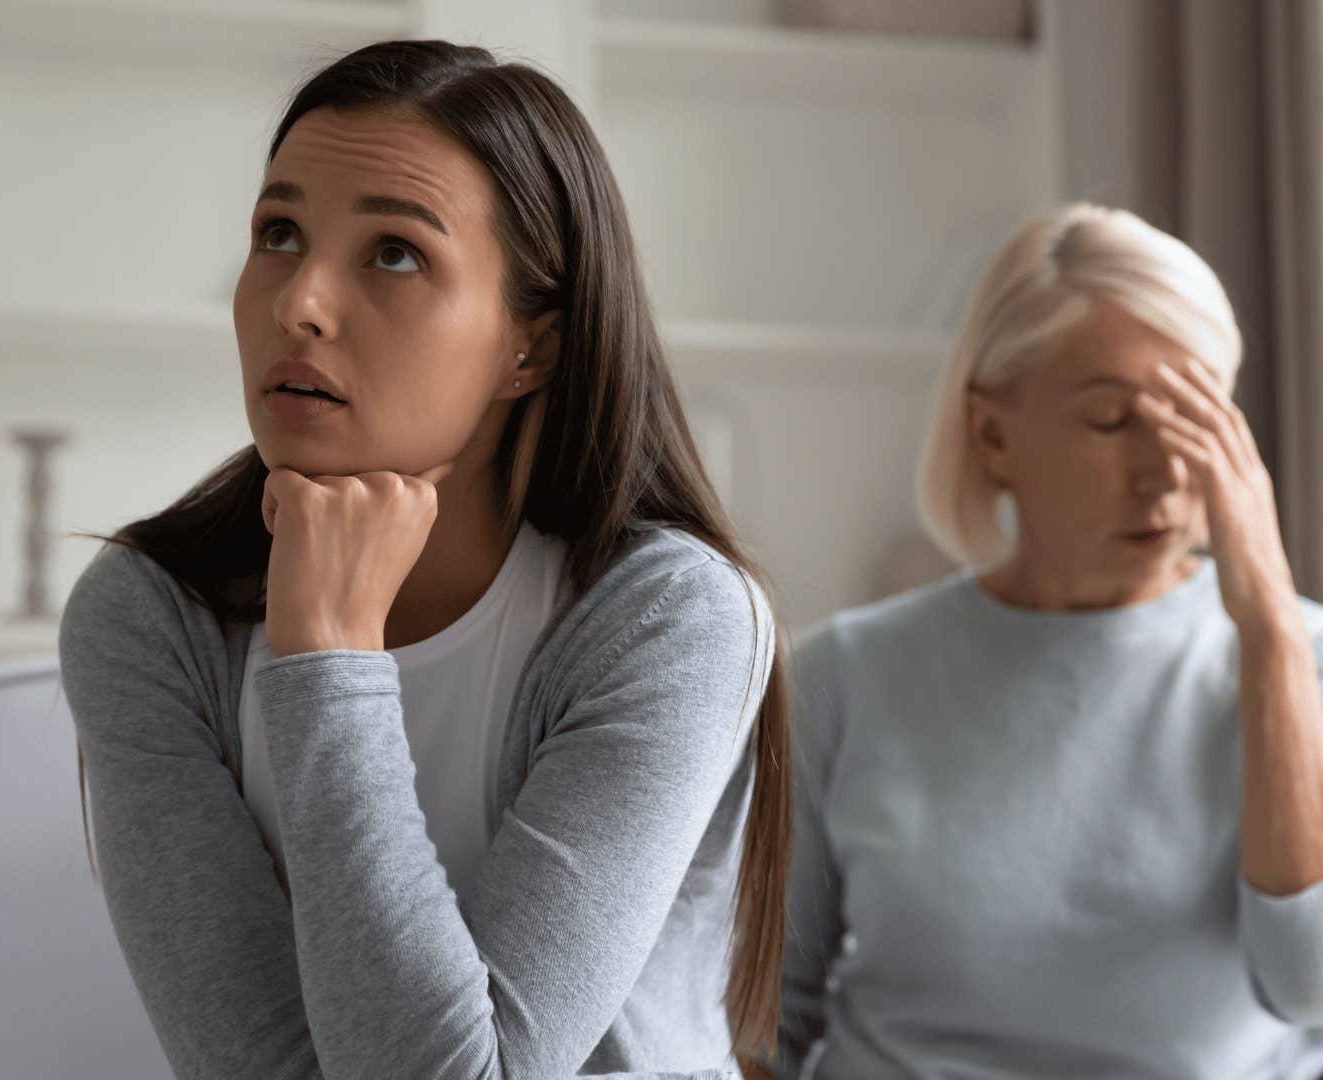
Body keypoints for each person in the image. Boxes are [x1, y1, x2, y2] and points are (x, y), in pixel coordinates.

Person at [58, 40, 790, 1080]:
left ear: (530, 346)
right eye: (279, 232)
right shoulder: (150, 615)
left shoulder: (669, 620)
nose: (298, 302)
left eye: (393, 252)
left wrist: (328, 660)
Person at [767, 204, 1323, 1078]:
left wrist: (1268, 629)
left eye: (1197, 418)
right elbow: (761, 1022)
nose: (1168, 471)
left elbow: (1322, 982)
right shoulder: (843, 675)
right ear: (993, 435)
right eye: (1112, 421)